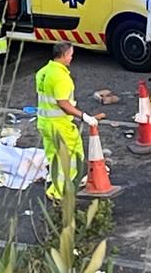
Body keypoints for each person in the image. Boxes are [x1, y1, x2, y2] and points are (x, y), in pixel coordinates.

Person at [35, 41, 105, 201]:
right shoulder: (61, 77)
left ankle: (55, 184)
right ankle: (59, 193)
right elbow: (63, 103)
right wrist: (84, 116)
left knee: (54, 156)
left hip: (44, 122)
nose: (71, 58)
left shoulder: (43, 72)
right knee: (73, 156)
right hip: (60, 124)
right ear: (65, 55)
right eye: (71, 55)